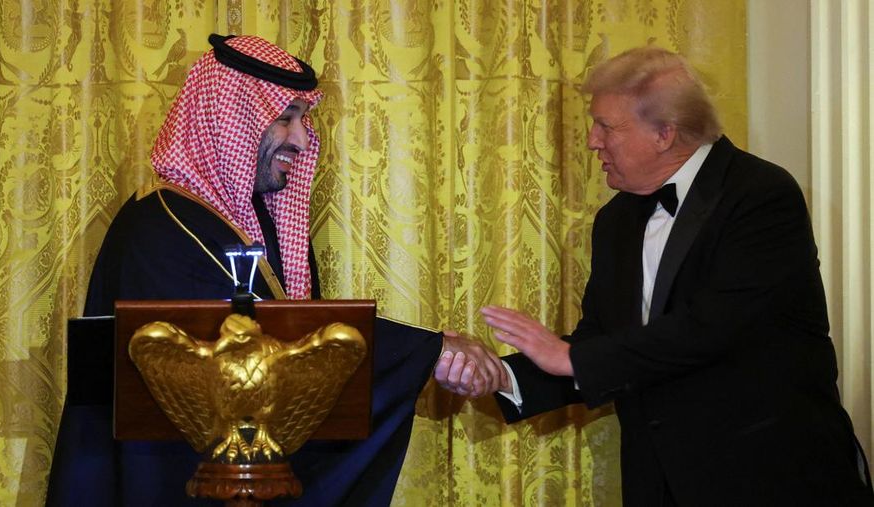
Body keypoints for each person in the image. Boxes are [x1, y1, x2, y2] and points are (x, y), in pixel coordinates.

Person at [47, 34, 504, 506]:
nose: (303, 141)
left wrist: (429, 352)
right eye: (285, 119)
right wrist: (432, 350)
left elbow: (289, 338)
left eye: (303, 120)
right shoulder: (164, 227)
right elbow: (256, 345)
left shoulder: (251, 222)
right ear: (230, 123)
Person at [436, 46, 874, 505]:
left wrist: (571, 359)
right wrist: (503, 376)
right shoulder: (616, 220)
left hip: (772, 479)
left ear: (664, 133)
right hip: (660, 484)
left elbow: (712, 327)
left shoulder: (761, 194)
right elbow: (603, 342)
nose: (591, 141)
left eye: (606, 126)